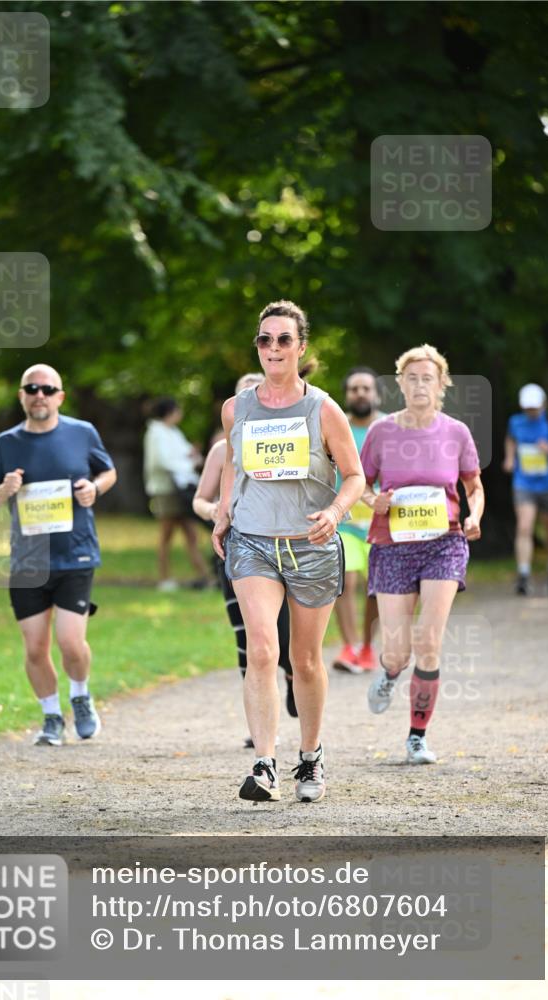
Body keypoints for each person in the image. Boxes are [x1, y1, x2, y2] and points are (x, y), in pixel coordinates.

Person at [212, 300, 365, 803]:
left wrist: (335, 513)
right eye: (264, 339)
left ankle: (311, 756)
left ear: (301, 347)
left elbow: (356, 475)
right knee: (261, 649)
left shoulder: (323, 409)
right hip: (253, 541)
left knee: (305, 658)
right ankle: (263, 765)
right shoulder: (237, 407)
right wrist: (224, 511)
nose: (273, 348)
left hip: (311, 544)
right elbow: (235, 462)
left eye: (283, 339)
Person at [0, 364, 117, 747]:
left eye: (47, 388)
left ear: (60, 396)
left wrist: (94, 488)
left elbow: (108, 473)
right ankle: (52, 716)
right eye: (31, 388)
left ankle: (81, 696)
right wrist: (5, 488)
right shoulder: (6, 443)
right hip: (29, 561)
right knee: (35, 647)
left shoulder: (81, 432)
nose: (39, 394)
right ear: (22, 395)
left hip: (76, 554)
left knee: (71, 642)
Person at [360, 345, 484, 765]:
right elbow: (359, 483)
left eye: (427, 377)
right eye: (411, 378)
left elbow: (474, 487)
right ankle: (391, 672)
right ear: (400, 384)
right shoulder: (381, 432)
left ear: (441, 383)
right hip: (393, 547)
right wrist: (371, 500)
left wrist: (474, 517)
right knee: (398, 651)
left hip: (443, 543)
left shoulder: (456, 432)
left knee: (428, 642)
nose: (419, 385)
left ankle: (417, 735)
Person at [193, 373, 298, 746]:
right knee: (248, 639)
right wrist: (218, 511)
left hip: (284, 547)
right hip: (236, 548)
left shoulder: (291, 440)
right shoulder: (223, 450)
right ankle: (258, 727)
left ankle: (290, 677)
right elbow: (200, 499)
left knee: (283, 638)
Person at [331, 367, 384, 674]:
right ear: (347, 395)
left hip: (381, 523)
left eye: (366, 388)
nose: (360, 393)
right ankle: (348, 647)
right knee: (345, 581)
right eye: (354, 389)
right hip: (345, 522)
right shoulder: (338, 427)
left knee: (373, 588)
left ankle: (366, 647)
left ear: (376, 393)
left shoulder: (390, 427)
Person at [503, 383, 548, 596]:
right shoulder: (516, 422)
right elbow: (510, 439)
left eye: (534, 408)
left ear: (543, 404)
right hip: (524, 483)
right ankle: (523, 574)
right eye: (527, 408)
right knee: (524, 526)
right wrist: (510, 458)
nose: (531, 412)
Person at [143, 397, 211, 591]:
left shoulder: (173, 432)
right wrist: (190, 462)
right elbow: (163, 461)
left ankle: (204, 576)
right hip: (165, 490)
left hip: (183, 490)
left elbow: (186, 453)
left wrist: (193, 456)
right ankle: (164, 578)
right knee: (167, 535)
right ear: (171, 412)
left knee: (191, 533)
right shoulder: (156, 433)